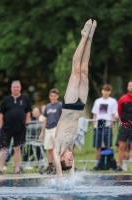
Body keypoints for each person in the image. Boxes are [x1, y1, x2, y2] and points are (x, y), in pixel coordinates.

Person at [53, 19, 97, 182]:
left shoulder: (58, 148)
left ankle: (83, 36)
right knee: (85, 72)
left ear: (62, 159)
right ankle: (90, 37)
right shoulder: (70, 146)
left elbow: (59, 169)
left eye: (69, 160)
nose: (71, 158)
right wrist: (70, 174)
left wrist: (60, 179)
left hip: (70, 104)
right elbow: (70, 172)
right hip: (80, 106)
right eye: (71, 160)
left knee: (76, 71)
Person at [0, 80, 32, 174]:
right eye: (14, 87)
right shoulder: (6, 100)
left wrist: (26, 124)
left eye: (17, 87)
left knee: (17, 148)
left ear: (20, 88)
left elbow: (28, 112)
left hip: (20, 128)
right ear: (11, 89)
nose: (16, 88)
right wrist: (1, 125)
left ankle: (17, 169)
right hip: (6, 128)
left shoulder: (25, 99)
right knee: (4, 148)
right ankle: (0, 169)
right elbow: (1, 114)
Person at [91, 84, 118, 168]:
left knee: (108, 145)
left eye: (107, 90)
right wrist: (94, 125)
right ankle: (98, 163)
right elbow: (95, 114)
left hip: (107, 125)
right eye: (104, 90)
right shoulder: (97, 101)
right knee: (98, 146)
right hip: (98, 125)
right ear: (102, 91)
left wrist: (112, 126)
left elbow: (114, 115)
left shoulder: (113, 101)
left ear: (110, 92)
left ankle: (108, 163)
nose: (106, 92)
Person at [39, 88, 62, 174]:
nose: (53, 97)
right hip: (48, 129)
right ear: (49, 96)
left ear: (57, 96)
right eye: (51, 96)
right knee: (49, 149)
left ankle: (57, 167)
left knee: (56, 149)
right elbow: (45, 119)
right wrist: (42, 132)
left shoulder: (60, 105)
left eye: (55, 96)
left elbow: (62, 118)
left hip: (56, 128)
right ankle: (50, 167)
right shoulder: (47, 106)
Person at [117, 79, 132, 171]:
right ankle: (119, 166)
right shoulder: (122, 99)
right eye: (130, 85)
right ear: (127, 87)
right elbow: (119, 112)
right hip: (124, 125)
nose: (131, 87)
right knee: (121, 146)